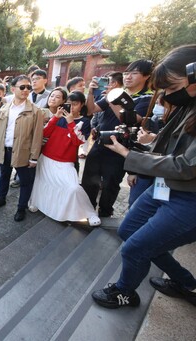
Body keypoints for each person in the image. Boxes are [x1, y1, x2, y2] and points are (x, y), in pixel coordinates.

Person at [92, 44, 196, 309]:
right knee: (129, 230)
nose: (170, 95)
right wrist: (138, 147)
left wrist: (129, 156)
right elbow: (165, 146)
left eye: (174, 87)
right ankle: (186, 282)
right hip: (165, 187)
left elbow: (186, 165)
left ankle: (125, 292)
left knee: (135, 248)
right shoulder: (187, 106)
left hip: (188, 199)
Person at [82, 61, 154, 217]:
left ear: (147, 76)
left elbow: (131, 121)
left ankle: (105, 212)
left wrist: (112, 98)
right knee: (89, 179)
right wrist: (90, 92)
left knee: (110, 183)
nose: (128, 77)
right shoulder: (117, 91)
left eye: (134, 73)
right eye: (127, 73)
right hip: (101, 142)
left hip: (121, 148)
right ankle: (87, 210)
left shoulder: (147, 98)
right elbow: (92, 109)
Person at [28, 91, 100, 226]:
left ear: (81, 105)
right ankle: (39, 203)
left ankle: (89, 213)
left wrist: (71, 123)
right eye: (69, 104)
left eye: (75, 104)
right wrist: (55, 118)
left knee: (73, 188)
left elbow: (78, 141)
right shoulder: (58, 117)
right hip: (47, 158)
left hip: (66, 161)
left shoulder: (84, 122)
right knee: (43, 183)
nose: (71, 107)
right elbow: (44, 133)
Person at [0, 75, 43, 222]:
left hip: (23, 152)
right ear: (13, 89)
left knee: (25, 181)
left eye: (28, 87)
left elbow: (37, 136)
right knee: (4, 176)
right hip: (4, 149)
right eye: (22, 87)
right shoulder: (5, 107)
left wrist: (34, 157)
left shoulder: (35, 111)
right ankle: (1, 198)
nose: (26, 90)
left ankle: (21, 207)